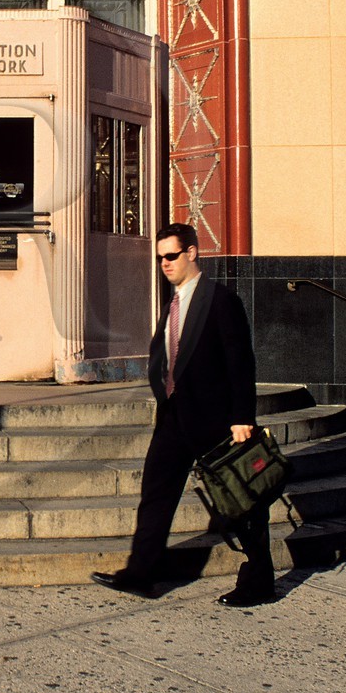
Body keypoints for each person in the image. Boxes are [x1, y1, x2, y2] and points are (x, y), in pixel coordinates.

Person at [93, 222, 276, 606]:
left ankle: (259, 580)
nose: (164, 263)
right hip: (174, 418)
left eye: (171, 256)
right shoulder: (172, 303)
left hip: (216, 421)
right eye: (160, 258)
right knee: (155, 495)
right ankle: (141, 573)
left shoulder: (221, 300)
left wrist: (242, 417)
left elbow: (240, 362)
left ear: (192, 253)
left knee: (241, 502)